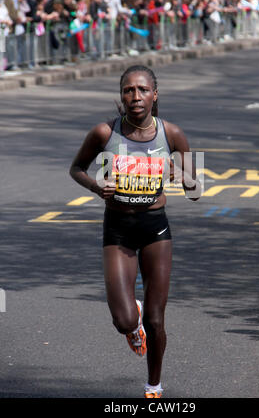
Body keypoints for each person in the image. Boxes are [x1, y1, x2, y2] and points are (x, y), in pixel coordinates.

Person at [69, 64, 201, 398]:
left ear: (155, 95)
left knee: (157, 321)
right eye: (129, 90)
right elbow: (76, 168)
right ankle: (134, 316)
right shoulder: (104, 133)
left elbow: (196, 189)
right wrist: (98, 187)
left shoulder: (171, 134)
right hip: (118, 229)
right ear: (121, 96)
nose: (136, 96)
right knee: (125, 321)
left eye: (143, 90)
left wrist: (180, 174)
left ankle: (153, 385)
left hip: (156, 229)